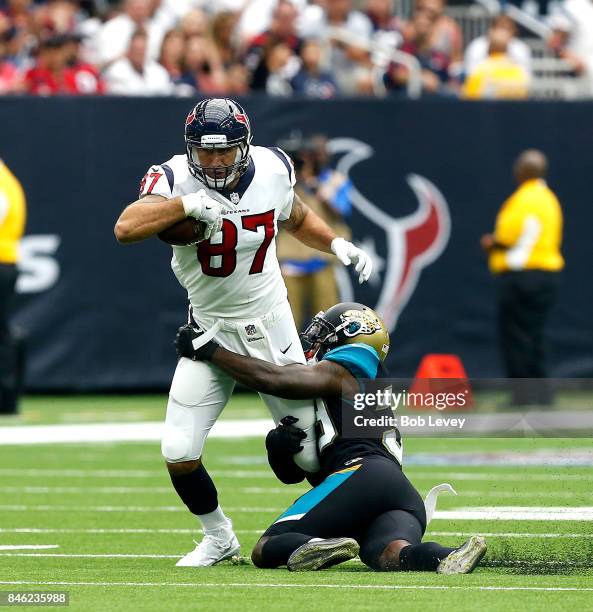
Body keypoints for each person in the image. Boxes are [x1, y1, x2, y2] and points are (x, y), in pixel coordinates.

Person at [113, 98, 373, 567]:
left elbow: (293, 216)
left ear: (245, 146)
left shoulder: (274, 168)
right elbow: (126, 227)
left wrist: (336, 243)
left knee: (311, 455)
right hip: (207, 331)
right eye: (205, 152)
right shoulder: (172, 176)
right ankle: (218, 537)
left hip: (270, 325)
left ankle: (348, 525)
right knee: (178, 449)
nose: (214, 162)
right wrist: (186, 203)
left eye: (225, 151)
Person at [175, 302, 487, 573]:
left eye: (324, 330)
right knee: (392, 553)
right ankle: (448, 556)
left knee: (267, 547)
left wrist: (211, 351)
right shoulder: (351, 382)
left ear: (352, 333)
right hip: (399, 493)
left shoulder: (358, 361)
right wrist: (278, 448)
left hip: (361, 474)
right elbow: (292, 475)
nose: (314, 336)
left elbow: (274, 379)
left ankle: (319, 544)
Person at [481, 150, 564, 405]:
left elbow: (506, 237)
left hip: (523, 278)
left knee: (517, 337)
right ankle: (542, 392)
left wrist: (489, 242)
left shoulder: (524, 199)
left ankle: (524, 395)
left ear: (521, 171)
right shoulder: (550, 199)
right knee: (535, 335)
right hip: (546, 276)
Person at [277, 134, 351, 330]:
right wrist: (294, 176)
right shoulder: (286, 182)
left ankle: (327, 358)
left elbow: (342, 210)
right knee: (287, 318)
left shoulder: (335, 180)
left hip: (321, 257)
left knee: (328, 316)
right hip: (290, 257)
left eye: (319, 154)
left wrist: (314, 184)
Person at [0, 158, 26, 415]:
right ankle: (6, 398)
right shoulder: (7, 178)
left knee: (2, 334)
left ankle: (6, 399)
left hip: (1, 261)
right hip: (6, 261)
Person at [463, 26, 529, 100]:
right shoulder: (519, 72)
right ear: (507, 49)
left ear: (488, 48)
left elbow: (470, 96)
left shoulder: (481, 71)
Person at [103, 28, 173, 96]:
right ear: (129, 49)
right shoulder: (116, 71)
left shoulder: (159, 71)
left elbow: (165, 92)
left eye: (141, 50)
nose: (138, 54)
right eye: (136, 49)